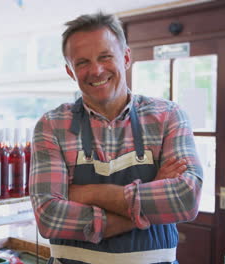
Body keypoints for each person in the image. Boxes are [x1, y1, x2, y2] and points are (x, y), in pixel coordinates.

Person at [29, 12, 203, 264]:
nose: (96, 70)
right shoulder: (52, 125)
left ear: (126, 57)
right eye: (82, 62)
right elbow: (49, 218)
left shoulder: (168, 116)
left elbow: (185, 199)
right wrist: (152, 191)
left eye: (105, 57)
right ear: (70, 71)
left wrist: (89, 193)